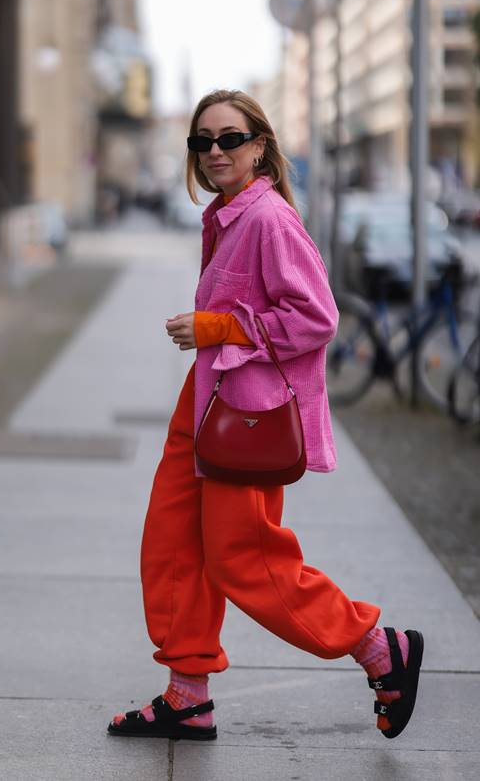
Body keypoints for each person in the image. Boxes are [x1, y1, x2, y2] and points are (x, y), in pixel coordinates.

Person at [107, 89, 423, 742]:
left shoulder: (268, 219)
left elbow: (317, 317)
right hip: (208, 399)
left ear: (259, 145)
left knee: (243, 556)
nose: (215, 151)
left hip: (247, 415)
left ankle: (378, 648)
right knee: (174, 545)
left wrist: (218, 326)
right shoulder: (228, 215)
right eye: (202, 142)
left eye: (229, 138)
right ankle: (186, 696)